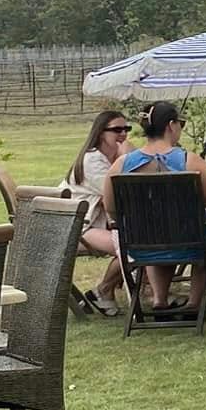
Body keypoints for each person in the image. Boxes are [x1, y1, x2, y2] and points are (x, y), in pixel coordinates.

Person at [102, 102, 206, 311]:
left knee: (158, 235)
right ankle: (194, 302)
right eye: (180, 123)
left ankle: (159, 300)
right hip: (191, 242)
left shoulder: (121, 165)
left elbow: (110, 205)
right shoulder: (191, 162)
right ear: (171, 125)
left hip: (140, 245)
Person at [63, 109, 132, 307]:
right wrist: (125, 158)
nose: (123, 134)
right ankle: (104, 290)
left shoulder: (107, 158)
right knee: (132, 246)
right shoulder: (92, 161)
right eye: (117, 130)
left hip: (89, 222)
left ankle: (110, 290)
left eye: (126, 129)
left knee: (142, 239)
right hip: (74, 227)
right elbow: (120, 195)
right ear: (101, 132)